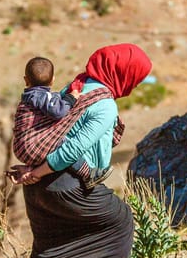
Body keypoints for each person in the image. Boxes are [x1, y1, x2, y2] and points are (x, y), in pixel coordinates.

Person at [8, 43, 153, 258]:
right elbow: (70, 149)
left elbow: (45, 133)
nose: (135, 84)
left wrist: (33, 172)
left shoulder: (76, 86)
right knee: (121, 218)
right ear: (123, 74)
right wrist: (39, 171)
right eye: (136, 78)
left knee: (47, 246)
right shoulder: (104, 105)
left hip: (39, 188)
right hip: (64, 182)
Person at [14, 56, 115, 190]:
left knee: (55, 144)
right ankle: (89, 174)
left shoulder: (29, 98)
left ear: (26, 80)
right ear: (53, 80)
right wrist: (70, 98)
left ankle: (33, 168)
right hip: (32, 145)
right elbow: (58, 112)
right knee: (67, 147)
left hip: (21, 146)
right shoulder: (41, 96)